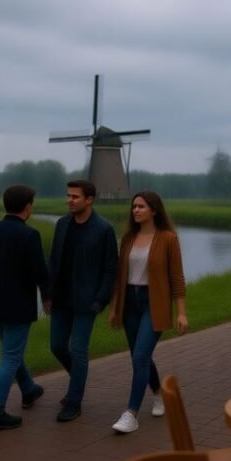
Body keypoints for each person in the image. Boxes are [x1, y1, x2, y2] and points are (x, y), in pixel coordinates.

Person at [107, 190, 188, 434]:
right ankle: (159, 394)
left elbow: (177, 277)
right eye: (134, 206)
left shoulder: (168, 239)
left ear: (154, 210)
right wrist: (115, 308)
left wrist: (181, 312)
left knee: (140, 357)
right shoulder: (128, 238)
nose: (136, 210)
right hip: (129, 303)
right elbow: (119, 277)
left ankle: (131, 414)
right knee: (139, 356)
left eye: (141, 206)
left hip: (153, 303)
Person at [0, 184, 51, 432]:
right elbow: (40, 271)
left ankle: (29, 389)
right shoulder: (30, 235)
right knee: (9, 358)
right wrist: (46, 297)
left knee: (11, 351)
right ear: (27, 207)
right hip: (18, 306)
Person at [47, 179, 118, 422]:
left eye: (75, 196)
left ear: (89, 200)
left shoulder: (104, 229)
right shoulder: (62, 224)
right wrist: (47, 294)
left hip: (87, 301)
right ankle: (78, 378)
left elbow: (110, 269)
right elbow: (54, 260)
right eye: (68, 195)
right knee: (57, 346)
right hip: (61, 299)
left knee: (79, 350)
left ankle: (74, 402)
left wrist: (101, 300)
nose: (69, 200)